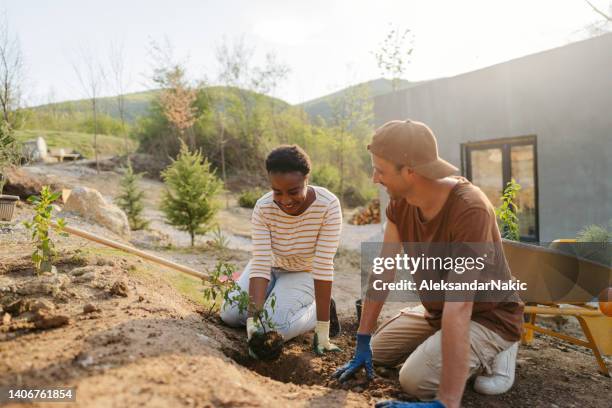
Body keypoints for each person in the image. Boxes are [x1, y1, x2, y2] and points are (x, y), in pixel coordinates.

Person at [333, 120, 524, 408]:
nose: (375, 178)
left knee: (414, 379)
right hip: (438, 310)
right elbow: (384, 271)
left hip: (488, 315)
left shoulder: (470, 209)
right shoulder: (400, 204)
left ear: (410, 171)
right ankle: (444, 340)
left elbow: (460, 305)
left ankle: (499, 350)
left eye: (380, 170)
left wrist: (446, 402)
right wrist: (362, 338)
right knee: (377, 351)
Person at [220, 144, 342, 356]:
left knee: (272, 328)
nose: (285, 200)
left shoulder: (328, 206)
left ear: (306, 180)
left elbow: (323, 266)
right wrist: (252, 321)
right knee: (229, 315)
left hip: (303, 273)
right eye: (277, 191)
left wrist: (323, 330)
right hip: (270, 267)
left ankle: (315, 311)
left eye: (293, 192)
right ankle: (272, 305)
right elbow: (260, 263)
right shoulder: (263, 207)